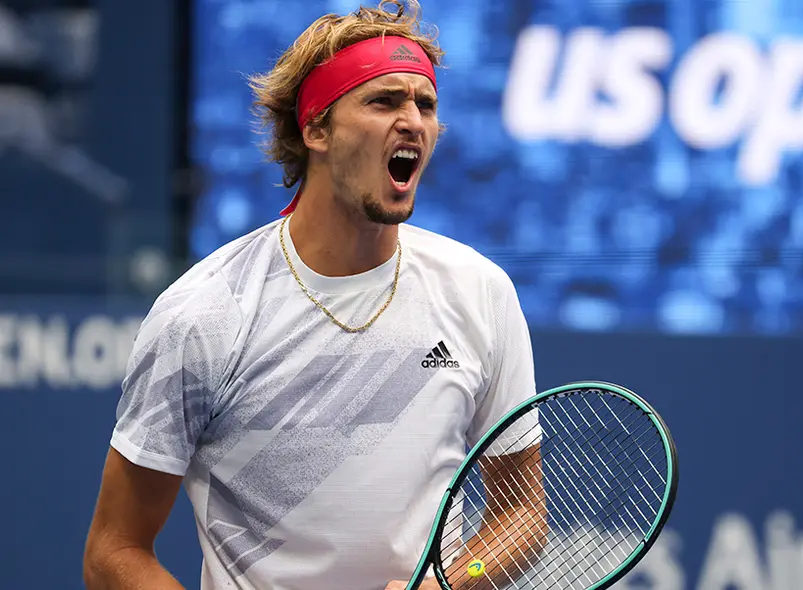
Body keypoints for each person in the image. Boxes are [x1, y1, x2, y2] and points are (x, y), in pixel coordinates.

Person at [82, 1, 545, 588]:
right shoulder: (202, 314)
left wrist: (451, 581)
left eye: (425, 104)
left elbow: (521, 515)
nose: (414, 122)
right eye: (384, 101)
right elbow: (114, 550)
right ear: (315, 129)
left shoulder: (481, 292)